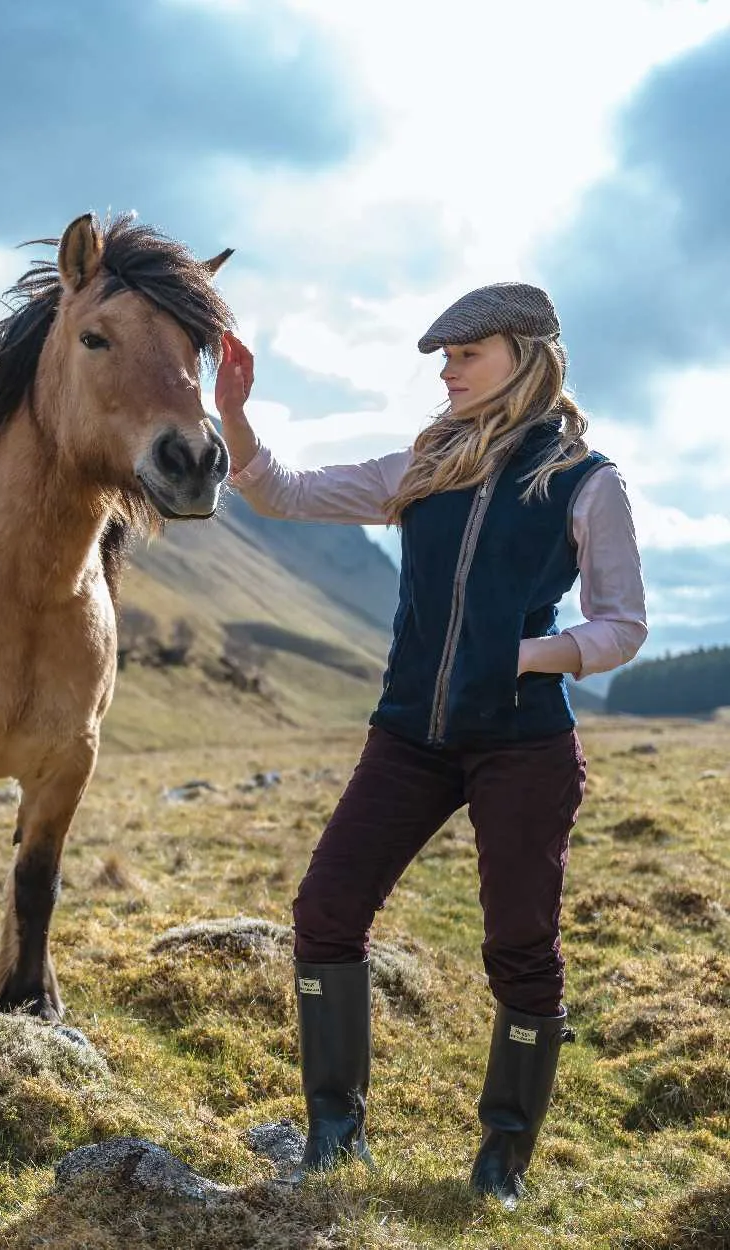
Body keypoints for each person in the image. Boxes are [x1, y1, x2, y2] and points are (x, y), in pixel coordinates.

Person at [213, 283, 647, 1207]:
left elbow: (622, 625)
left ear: (525, 357)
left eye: (465, 356)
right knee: (326, 910)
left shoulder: (586, 482)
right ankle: (334, 1136)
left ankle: (502, 1163)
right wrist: (236, 419)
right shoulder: (423, 465)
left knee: (520, 948)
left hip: (523, 745)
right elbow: (282, 495)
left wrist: (525, 655)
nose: (446, 373)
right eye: (443, 360)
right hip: (409, 736)